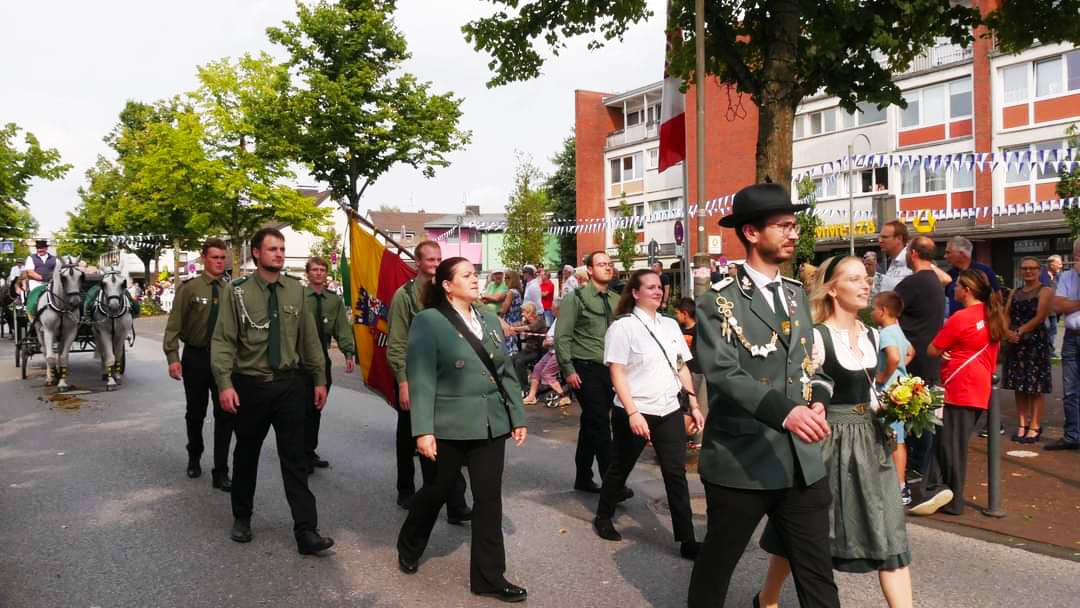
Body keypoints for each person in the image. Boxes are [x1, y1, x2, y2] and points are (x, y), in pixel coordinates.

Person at [688, 183, 839, 608]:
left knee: (817, 572)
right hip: (743, 460)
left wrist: (819, 399)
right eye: (783, 226)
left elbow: (810, 363)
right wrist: (786, 412)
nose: (793, 234)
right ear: (751, 233)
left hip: (800, 461)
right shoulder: (718, 301)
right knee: (718, 564)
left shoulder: (795, 294)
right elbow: (723, 372)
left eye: (794, 225)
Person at [757, 256, 912, 608]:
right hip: (827, 442)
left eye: (866, 278)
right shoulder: (816, 336)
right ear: (832, 289)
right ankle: (767, 600)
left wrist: (898, 403)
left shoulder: (872, 334)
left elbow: (871, 392)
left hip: (871, 443)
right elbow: (802, 385)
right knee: (805, 532)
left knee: (890, 530)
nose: (865, 284)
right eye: (854, 279)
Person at [396, 257, 529, 603]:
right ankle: (410, 542)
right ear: (447, 285)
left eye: (475, 274)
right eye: (466, 275)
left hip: (490, 422)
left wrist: (517, 417)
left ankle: (489, 577)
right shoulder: (428, 321)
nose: (474, 279)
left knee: (489, 499)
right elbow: (422, 379)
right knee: (437, 490)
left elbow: (505, 372)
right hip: (449, 425)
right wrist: (423, 430)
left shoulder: (489, 320)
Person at [210, 227, 334, 555]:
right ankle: (242, 517)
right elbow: (223, 340)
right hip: (251, 385)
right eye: (272, 249)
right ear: (256, 253)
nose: (279, 254)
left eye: (282, 248)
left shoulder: (296, 291)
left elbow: (309, 338)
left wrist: (319, 378)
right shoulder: (237, 292)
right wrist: (224, 384)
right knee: (246, 454)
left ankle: (306, 531)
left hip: (290, 385)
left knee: (295, 459)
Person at [592, 269, 704, 559]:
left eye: (660, 287)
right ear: (635, 293)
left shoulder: (670, 325)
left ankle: (687, 539)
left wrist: (693, 405)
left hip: (668, 409)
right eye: (650, 287)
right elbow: (617, 372)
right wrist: (632, 413)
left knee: (675, 472)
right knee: (621, 466)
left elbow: (681, 366)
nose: (658, 291)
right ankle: (603, 516)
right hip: (635, 410)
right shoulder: (623, 328)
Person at [909, 268, 1006, 516]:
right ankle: (936, 489)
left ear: (967, 290)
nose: (954, 289)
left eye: (958, 286)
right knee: (950, 443)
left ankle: (951, 498)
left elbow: (932, 349)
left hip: (959, 386)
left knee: (950, 445)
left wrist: (946, 352)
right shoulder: (992, 314)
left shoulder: (961, 317)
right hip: (979, 387)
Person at [386, 240, 471, 518]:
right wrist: (403, 382)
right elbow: (397, 343)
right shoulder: (404, 296)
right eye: (430, 259)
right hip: (414, 377)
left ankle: (455, 504)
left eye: (438, 259)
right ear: (418, 262)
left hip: (445, 377)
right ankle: (406, 490)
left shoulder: (445, 291)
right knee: (408, 437)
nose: (435, 264)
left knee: (449, 440)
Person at [556, 251, 630, 498]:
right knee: (600, 423)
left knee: (591, 423)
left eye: (609, 264)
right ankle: (613, 484)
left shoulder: (617, 299)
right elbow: (562, 336)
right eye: (601, 264)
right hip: (584, 368)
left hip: (611, 369)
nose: (607, 268)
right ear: (589, 270)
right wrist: (568, 369)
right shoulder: (576, 298)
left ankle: (583, 477)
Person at [163, 238, 235, 491]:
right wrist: (173, 358)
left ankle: (221, 471)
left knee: (226, 414)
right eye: (214, 257)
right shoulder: (190, 288)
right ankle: (194, 454)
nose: (219, 262)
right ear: (204, 258)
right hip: (196, 357)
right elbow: (174, 324)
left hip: (223, 360)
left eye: (222, 258)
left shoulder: (230, 290)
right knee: (196, 412)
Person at [893, 236, 947, 478]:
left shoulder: (911, 283)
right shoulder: (935, 279)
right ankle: (923, 466)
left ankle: (916, 466)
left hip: (911, 358)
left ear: (913, 253)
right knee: (924, 412)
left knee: (913, 415)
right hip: (930, 356)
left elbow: (887, 310)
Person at [303, 256, 357, 471]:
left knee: (316, 407)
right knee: (300, 409)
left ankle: (309, 450)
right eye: (314, 269)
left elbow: (342, 328)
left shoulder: (333, 301)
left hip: (322, 358)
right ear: (307, 273)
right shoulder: (299, 297)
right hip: (300, 360)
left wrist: (348, 353)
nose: (318, 273)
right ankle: (299, 454)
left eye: (322, 270)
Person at [872, 291, 916, 505]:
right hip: (900, 388)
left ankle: (899, 487)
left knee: (892, 440)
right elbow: (910, 352)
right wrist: (900, 371)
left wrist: (883, 375)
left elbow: (894, 356)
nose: (872, 312)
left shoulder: (886, 333)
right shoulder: (898, 330)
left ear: (883, 311)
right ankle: (899, 484)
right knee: (898, 439)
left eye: (874, 308)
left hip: (889, 393)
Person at [1003, 257, 1053, 444]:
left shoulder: (1045, 290)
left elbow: (1040, 316)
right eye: (1024, 268)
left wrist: (1019, 331)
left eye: (1032, 268)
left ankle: (1035, 425)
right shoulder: (1014, 292)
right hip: (1016, 344)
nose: (1028, 271)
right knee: (1019, 386)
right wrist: (1007, 332)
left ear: (1039, 270)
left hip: (1035, 343)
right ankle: (1022, 424)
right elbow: (1006, 315)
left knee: (1035, 387)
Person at [1046, 241, 1080, 451]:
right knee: (1070, 391)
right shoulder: (1067, 276)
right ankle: (1072, 436)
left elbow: (1066, 304)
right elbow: (1057, 305)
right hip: (1071, 337)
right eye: (1077, 255)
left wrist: (1071, 304)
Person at [945, 236, 1001, 317]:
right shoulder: (949, 275)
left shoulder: (984, 271)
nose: (945, 256)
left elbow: (997, 298)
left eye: (948, 252)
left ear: (961, 254)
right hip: (956, 321)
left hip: (979, 321)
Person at [511, 302, 547, 387]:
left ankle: (524, 387)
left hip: (538, 351)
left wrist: (515, 328)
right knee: (512, 359)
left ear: (529, 312)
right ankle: (516, 383)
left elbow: (528, 328)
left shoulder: (539, 320)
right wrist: (511, 326)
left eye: (523, 312)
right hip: (528, 350)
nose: (522, 314)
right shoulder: (527, 321)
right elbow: (520, 324)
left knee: (519, 361)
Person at [878, 221, 912, 292]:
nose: (880, 240)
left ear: (899, 238)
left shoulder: (912, 260)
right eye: (880, 237)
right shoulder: (894, 260)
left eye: (885, 237)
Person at [1042, 254, 1063, 357]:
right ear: (1052, 264)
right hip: (1043, 309)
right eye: (1059, 263)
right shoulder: (1042, 274)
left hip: (1054, 309)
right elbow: (1044, 288)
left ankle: (1050, 351)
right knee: (1046, 328)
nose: (1061, 266)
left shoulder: (1058, 275)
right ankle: (1046, 350)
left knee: (1053, 329)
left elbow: (1061, 287)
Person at [501, 270, 524, 353]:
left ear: (512, 279)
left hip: (509, 322)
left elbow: (504, 310)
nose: (504, 280)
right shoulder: (518, 291)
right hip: (516, 321)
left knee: (509, 346)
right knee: (515, 344)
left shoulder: (511, 292)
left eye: (506, 278)